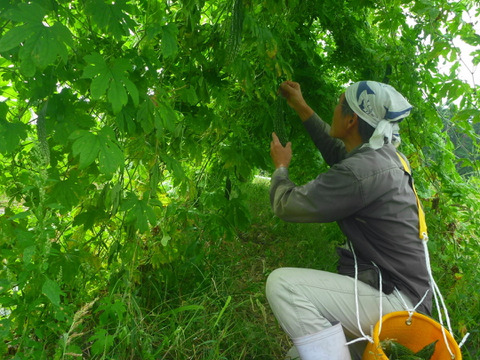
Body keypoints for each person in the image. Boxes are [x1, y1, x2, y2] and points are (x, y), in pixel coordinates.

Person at [266, 80, 432, 360]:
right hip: (410, 300)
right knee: (300, 355)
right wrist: (300, 105)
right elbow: (338, 153)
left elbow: (287, 205)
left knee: (282, 284)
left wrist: (281, 168)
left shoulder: (362, 172)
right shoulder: (383, 157)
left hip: (398, 305)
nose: (333, 109)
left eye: (337, 104)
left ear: (351, 120)